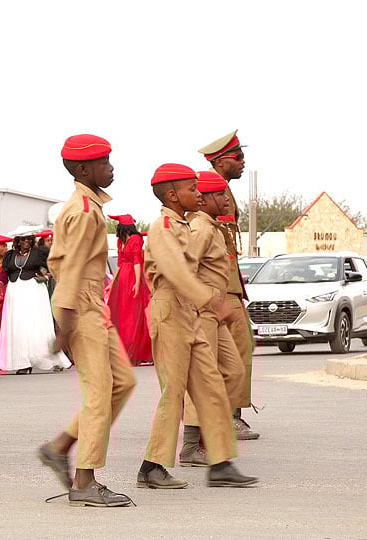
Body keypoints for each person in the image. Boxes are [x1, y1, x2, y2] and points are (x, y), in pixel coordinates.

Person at [136, 163, 256, 489]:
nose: (198, 194)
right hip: (171, 311)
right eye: (192, 189)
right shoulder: (162, 227)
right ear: (173, 195)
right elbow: (176, 272)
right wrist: (212, 301)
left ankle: (220, 462)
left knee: (213, 387)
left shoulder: (183, 225)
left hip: (190, 312)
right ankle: (152, 466)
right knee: (173, 393)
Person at [39, 135, 136, 507]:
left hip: (93, 304)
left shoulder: (91, 207)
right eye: (104, 163)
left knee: (123, 382)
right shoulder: (82, 210)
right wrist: (64, 326)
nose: (111, 168)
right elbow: (72, 270)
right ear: (83, 170)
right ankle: (84, 481)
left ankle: (59, 447)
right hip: (79, 306)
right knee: (98, 394)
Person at [179, 172, 248, 466]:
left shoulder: (213, 227)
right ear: (204, 200)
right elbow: (184, 270)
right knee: (203, 379)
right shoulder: (201, 229)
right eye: (220, 195)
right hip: (201, 311)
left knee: (233, 372)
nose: (225, 200)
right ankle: (194, 445)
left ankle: (210, 437)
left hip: (214, 312)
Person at [198, 130, 259, 440]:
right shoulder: (210, 190)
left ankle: (225, 415)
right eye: (238, 158)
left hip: (230, 283)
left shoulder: (222, 189)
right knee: (235, 350)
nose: (243, 162)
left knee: (237, 347)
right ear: (221, 162)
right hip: (219, 288)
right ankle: (227, 416)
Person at [0, 234, 69, 374]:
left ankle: (50, 359)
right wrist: (0, 283)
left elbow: (53, 267)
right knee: (18, 326)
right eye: (24, 240)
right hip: (14, 293)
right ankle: (22, 362)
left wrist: (47, 276)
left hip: (34, 291)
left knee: (35, 324)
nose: (26, 242)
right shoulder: (10, 255)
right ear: (17, 241)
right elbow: (4, 272)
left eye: (29, 240)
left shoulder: (39, 253)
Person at [106, 214, 152, 366]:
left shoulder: (136, 239)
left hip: (133, 276)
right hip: (123, 279)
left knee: (133, 314)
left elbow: (138, 262)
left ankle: (138, 350)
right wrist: (113, 283)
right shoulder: (120, 241)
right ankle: (124, 349)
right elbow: (119, 264)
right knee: (123, 313)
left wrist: (138, 282)